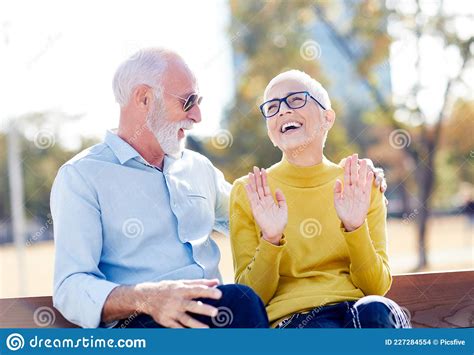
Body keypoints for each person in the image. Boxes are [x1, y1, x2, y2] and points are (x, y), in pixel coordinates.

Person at [51, 48, 268, 328]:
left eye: (198, 101)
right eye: (188, 101)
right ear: (144, 99)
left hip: (217, 315)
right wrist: (149, 298)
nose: (198, 116)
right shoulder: (81, 176)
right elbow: (70, 287)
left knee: (242, 300)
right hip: (143, 326)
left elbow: (250, 217)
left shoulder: (199, 168)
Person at [230, 70, 411, 328]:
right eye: (272, 106)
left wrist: (355, 227)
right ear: (270, 130)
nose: (282, 110)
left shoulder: (359, 183)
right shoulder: (249, 191)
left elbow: (376, 287)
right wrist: (270, 239)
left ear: (327, 118)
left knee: (377, 311)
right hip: (296, 324)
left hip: (360, 317)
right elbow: (251, 298)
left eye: (295, 100)